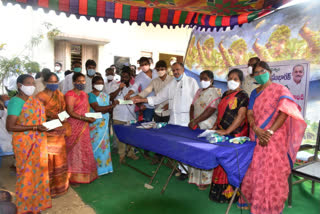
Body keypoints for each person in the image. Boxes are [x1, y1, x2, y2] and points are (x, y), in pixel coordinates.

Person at [238, 61, 306, 214]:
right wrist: (255, 128)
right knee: (256, 170)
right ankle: (254, 202)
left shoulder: (280, 89)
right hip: (256, 136)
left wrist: (268, 132)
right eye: (256, 73)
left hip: (273, 138)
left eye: (263, 71)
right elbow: (250, 113)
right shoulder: (255, 92)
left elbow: (285, 111)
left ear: (269, 72)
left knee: (272, 173)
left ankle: (270, 207)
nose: (260, 74)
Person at [132, 62, 199, 178]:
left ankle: (186, 171)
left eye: (178, 69)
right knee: (175, 145)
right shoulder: (172, 83)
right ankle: (179, 168)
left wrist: (195, 119)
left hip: (186, 120)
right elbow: (158, 98)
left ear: (183, 69)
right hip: (173, 119)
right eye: (174, 70)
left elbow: (197, 101)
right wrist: (142, 100)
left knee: (184, 146)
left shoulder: (191, 82)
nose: (176, 72)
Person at [6, 74, 52, 213]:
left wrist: (45, 126)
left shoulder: (35, 101)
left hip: (38, 143)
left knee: (39, 174)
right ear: (20, 86)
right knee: (26, 175)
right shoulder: (16, 102)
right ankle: (25, 207)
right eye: (28, 83)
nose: (32, 86)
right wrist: (34, 128)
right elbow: (10, 126)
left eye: (33, 83)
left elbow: (39, 120)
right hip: (24, 144)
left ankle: (37, 204)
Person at [209, 69, 249, 203]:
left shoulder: (243, 96)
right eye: (229, 78)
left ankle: (230, 196)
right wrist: (215, 126)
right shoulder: (225, 94)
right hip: (221, 131)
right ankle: (217, 193)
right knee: (220, 160)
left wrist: (227, 132)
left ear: (241, 82)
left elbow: (241, 116)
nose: (232, 81)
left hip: (235, 134)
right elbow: (220, 113)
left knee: (229, 163)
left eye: (235, 79)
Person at [36, 72, 70, 197]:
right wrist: (49, 120)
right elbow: (37, 116)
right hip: (46, 133)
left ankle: (60, 187)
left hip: (59, 133)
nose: (54, 84)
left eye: (56, 81)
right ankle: (48, 189)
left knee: (60, 159)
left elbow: (63, 112)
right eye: (51, 81)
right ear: (45, 82)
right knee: (49, 161)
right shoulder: (40, 97)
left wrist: (65, 121)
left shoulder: (59, 95)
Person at [188, 70, 220, 190]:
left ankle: (206, 180)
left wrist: (196, 121)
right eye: (201, 78)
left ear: (211, 80)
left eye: (205, 79)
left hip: (207, 125)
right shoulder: (199, 91)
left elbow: (211, 110)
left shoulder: (215, 92)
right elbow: (192, 106)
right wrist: (192, 120)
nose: (203, 81)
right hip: (196, 125)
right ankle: (195, 178)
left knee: (205, 152)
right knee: (195, 150)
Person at [65, 72, 97, 184]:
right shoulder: (70, 94)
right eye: (78, 81)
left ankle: (85, 175)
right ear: (74, 82)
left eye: (83, 81)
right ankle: (72, 177)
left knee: (84, 149)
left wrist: (89, 117)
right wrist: (85, 119)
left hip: (84, 126)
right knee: (74, 151)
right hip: (74, 125)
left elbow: (86, 110)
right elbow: (70, 111)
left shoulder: (84, 94)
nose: (81, 83)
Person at [110, 67, 139, 163]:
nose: (124, 78)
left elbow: (136, 100)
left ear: (130, 77)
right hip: (118, 116)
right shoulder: (115, 85)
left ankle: (131, 153)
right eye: (123, 77)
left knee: (131, 136)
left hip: (130, 116)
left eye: (126, 77)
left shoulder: (133, 87)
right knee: (120, 138)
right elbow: (111, 98)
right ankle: (121, 155)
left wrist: (133, 102)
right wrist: (119, 89)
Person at [88, 76, 114, 176]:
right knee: (95, 145)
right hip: (95, 125)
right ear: (93, 84)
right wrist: (111, 106)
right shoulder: (90, 95)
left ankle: (105, 168)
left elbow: (108, 107)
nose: (100, 85)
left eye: (102, 83)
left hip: (104, 125)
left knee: (105, 145)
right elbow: (97, 108)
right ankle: (95, 169)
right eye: (98, 83)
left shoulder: (104, 95)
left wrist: (110, 107)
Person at [124, 57, 158, 122]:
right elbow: (134, 87)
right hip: (147, 105)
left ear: (149, 64)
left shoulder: (156, 72)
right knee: (147, 124)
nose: (144, 66)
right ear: (140, 66)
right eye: (142, 65)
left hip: (158, 103)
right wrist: (129, 94)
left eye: (145, 64)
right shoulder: (139, 76)